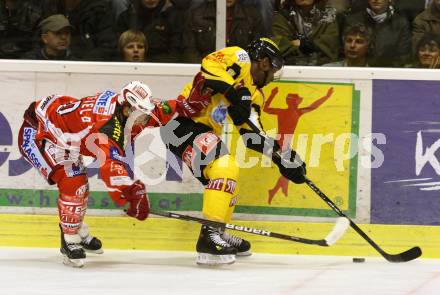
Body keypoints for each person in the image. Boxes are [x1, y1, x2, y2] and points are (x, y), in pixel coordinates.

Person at [17, 81, 210, 267]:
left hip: (61, 130)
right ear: (126, 108)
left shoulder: (128, 109)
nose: (145, 118)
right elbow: (111, 166)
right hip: (38, 133)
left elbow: (160, 110)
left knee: (78, 182)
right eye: (142, 114)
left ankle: (76, 228)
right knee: (74, 182)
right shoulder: (108, 128)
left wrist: (185, 106)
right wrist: (133, 192)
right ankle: (70, 239)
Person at [160, 37, 307, 266]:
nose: (272, 78)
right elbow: (209, 66)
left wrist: (281, 158)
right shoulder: (241, 58)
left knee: (227, 178)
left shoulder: (255, 94)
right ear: (266, 63)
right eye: (274, 70)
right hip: (181, 123)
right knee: (225, 165)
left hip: (200, 131)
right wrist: (235, 93)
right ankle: (209, 238)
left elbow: (252, 135)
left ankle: (218, 230)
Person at [182, 0, 264, 64]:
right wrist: (204, 68)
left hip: (241, 71)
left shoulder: (252, 16)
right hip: (206, 70)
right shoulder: (196, 15)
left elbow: (256, 50)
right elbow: (189, 49)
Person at [272, 0, 340, 66]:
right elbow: (280, 47)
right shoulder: (282, 16)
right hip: (290, 69)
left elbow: (331, 45)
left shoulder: (329, 15)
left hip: (325, 68)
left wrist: (301, 44)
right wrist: (315, 45)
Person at [344, 0, 411, 67]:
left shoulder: (401, 23)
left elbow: (403, 55)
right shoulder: (353, 20)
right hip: (357, 68)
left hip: (387, 71)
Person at [117, 0, 183, 63]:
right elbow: (118, 50)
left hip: (163, 66)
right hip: (128, 67)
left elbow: (175, 51)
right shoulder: (126, 17)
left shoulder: (173, 17)